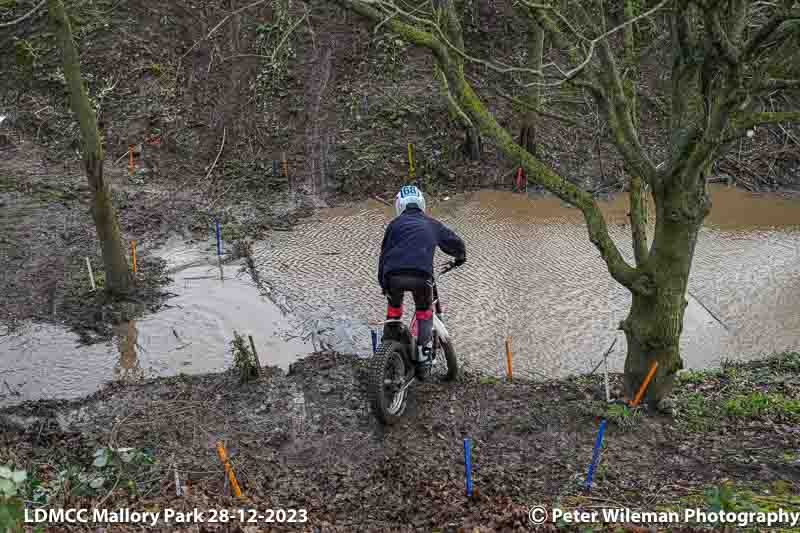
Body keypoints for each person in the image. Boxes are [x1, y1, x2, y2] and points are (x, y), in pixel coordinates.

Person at [378, 185, 466, 379]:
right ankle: (422, 361)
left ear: (399, 206)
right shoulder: (431, 224)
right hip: (421, 277)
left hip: (393, 276)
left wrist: (383, 284)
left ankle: (387, 346)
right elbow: (455, 242)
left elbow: (383, 256)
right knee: (424, 314)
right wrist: (460, 257)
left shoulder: (394, 225)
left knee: (394, 310)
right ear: (422, 204)